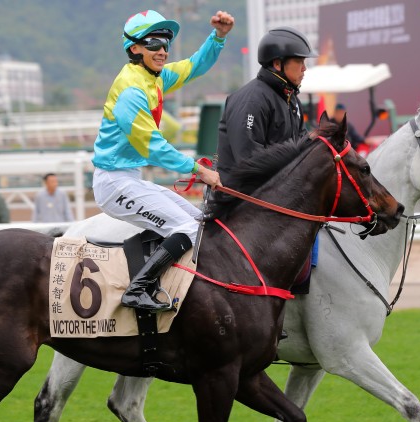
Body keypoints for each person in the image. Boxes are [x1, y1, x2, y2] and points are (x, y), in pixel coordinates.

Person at [92, 9, 233, 310]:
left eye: (166, 42)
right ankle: (137, 289)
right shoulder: (131, 89)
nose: (163, 50)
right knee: (190, 229)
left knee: (199, 223)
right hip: (114, 184)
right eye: (154, 42)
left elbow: (194, 66)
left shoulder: (153, 77)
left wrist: (218, 37)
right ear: (134, 48)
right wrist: (199, 171)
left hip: (129, 179)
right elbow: (153, 147)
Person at [216, 26, 317, 189]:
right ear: (278, 63)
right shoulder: (252, 100)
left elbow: (302, 149)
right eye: (299, 61)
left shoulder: (292, 100)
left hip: (276, 193)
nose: (304, 68)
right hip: (239, 200)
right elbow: (249, 160)